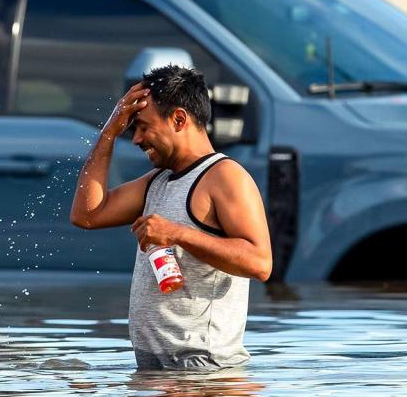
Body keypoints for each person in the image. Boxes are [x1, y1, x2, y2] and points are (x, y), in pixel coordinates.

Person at [70, 65, 272, 370]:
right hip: (158, 370)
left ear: (179, 119)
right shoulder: (157, 182)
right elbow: (87, 214)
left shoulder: (226, 177)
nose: (136, 139)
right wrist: (109, 132)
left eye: (142, 126)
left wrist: (177, 233)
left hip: (202, 370)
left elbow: (260, 263)